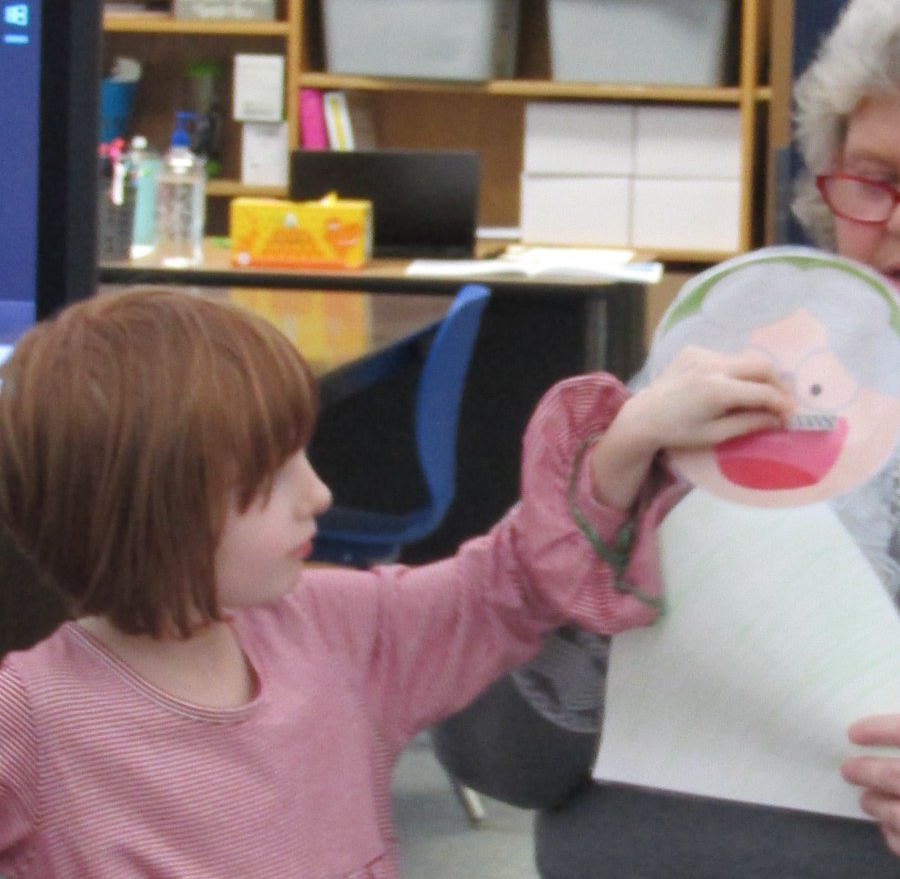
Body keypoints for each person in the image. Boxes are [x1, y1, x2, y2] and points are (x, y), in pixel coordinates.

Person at [0, 283, 773, 879]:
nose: (319, 494)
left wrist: (627, 440)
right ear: (153, 511)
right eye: (270, 479)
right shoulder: (29, 722)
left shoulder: (338, 632)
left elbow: (507, 585)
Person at [433, 0, 900, 878]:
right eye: (873, 179)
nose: (892, 224)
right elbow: (499, 757)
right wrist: (601, 501)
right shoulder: (738, 361)